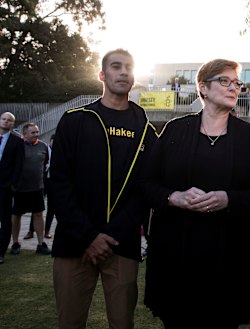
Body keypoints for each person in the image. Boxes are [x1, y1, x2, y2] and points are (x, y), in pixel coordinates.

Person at [142, 58, 250, 328]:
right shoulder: (175, 131)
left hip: (229, 262)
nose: (233, 88)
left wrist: (229, 199)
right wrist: (173, 198)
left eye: (236, 83)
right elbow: (146, 183)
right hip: (177, 259)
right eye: (224, 81)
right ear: (202, 88)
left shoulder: (249, 136)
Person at [50, 48, 157, 328]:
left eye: (129, 67)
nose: (123, 72)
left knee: (122, 323)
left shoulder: (146, 130)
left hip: (121, 244)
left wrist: (109, 236)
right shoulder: (75, 120)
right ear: (102, 74)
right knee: (70, 322)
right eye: (116, 66)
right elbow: (59, 183)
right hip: (74, 243)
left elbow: (144, 191)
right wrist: (88, 235)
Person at [10, 122, 51, 256]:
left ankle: (40, 244)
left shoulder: (43, 146)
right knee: (16, 216)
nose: (36, 134)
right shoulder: (18, 146)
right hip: (20, 189)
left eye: (37, 132)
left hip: (37, 188)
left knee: (38, 215)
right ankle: (15, 243)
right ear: (25, 134)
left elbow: (45, 164)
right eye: (33, 132)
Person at [0, 112, 24, 264]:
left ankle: (1, 252)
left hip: (4, 188)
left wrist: (12, 185)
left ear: (12, 124)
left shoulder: (17, 142)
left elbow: (19, 165)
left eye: (9, 121)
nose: (6, 122)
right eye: (4, 119)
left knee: (5, 220)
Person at [24, 134, 55, 240]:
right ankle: (31, 231)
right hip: (42, 181)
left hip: (54, 182)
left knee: (52, 207)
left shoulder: (62, 151)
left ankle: (47, 231)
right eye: (53, 141)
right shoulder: (45, 149)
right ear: (50, 141)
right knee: (36, 207)